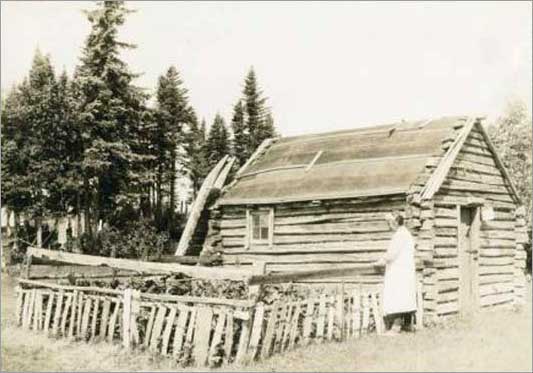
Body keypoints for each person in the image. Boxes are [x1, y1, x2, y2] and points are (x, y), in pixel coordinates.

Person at [376, 213, 417, 335]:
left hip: (399, 271)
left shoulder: (400, 235)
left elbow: (392, 254)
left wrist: (381, 260)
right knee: (405, 296)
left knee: (398, 298)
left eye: (389, 223)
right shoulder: (406, 234)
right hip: (404, 270)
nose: (389, 226)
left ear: (394, 223)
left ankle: (396, 327)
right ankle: (408, 325)